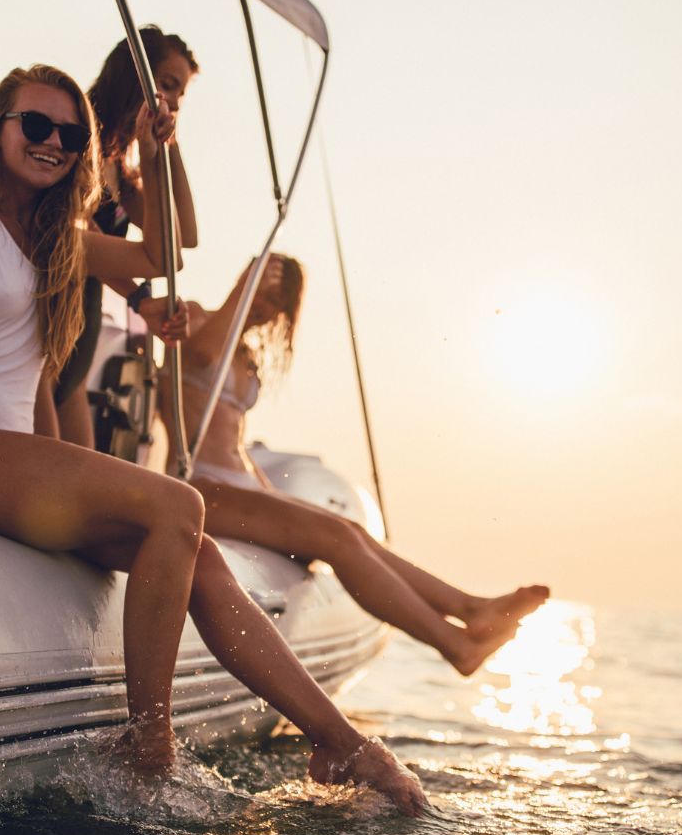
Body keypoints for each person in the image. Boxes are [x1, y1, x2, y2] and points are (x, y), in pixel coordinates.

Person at [0, 64, 427, 816]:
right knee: (177, 503)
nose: (52, 143)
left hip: (5, 453)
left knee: (194, 549)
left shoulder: (57, 241)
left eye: (70, 135)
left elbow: (160, 259)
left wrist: (159, 151)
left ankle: (342, 743)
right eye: (35, 125)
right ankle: (149, 748)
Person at [159, 255, 550, 674]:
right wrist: (245, 287)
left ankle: (471, 609)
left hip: (242, 482)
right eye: (262, 294)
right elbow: (198, 356)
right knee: (337, 540)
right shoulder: (199, 322)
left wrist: (272, 499)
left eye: (276, 301)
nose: (263, 307)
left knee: (350, 531)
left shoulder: (243, 350)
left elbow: (233, 434)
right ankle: (456, 645)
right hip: (199, 483)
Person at [40, 27, 199, 446]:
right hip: (49, 337)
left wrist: (170, 144)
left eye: (179, 97)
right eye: (166, 87)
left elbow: (184, 235)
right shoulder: (74, 143)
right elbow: (78, 245)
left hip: (79, 339)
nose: (172, 103)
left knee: (79, 483)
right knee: (56, 479)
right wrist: (140, 301)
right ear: (136, 77)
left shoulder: (121, 170)